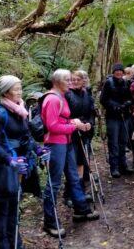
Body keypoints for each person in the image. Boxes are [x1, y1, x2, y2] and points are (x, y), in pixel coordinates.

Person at [0, 75, 50, 249]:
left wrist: (38, 149)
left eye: (20, 88)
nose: (20, 92)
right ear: (6, 92)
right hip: (4, 168)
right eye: (16, 89)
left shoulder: (21, 110)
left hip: (20, 165)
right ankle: (2, 245)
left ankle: (16, 243)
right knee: (2, 210)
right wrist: (10, 160)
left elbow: (26, 136)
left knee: (14, 207)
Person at [42, 69, 99, 238]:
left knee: (74, 176)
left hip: (66, 142)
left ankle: (81, 209)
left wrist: (73, 122)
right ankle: (50, 222)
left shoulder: (61, 97)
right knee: (54, 183)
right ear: (58, 81)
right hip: (55, 144)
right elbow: (51, 126)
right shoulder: (52, 99)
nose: (70, 82)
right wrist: (74, 126)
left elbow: (62, 120)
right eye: (67, 79)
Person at [64, 70, 95, 205]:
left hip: (84, 132)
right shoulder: (67, 95)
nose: (75, 81)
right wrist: (76, 123)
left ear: (83, 81)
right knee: (73, 163)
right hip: (71, 133)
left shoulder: (86, 94)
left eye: (78, 79)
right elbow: (64, 115)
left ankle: (80, 190)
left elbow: (91, 112)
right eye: (73, 79)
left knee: (82, 161)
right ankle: (69, 194)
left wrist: (90, 123)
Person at [100, 63, 134, 178]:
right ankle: (114, 168)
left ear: (123, 72)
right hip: (112, 117)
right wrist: (115, 106)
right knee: (113, 142)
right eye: (116, 71)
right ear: (113, 72)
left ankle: (123, 166)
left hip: (125, 116)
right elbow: (103, 99)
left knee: (123, 142)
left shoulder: (126, 83)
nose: (118, 72)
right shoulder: (108, 83)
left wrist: (127, 104)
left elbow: (130, 97)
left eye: (120, 70)